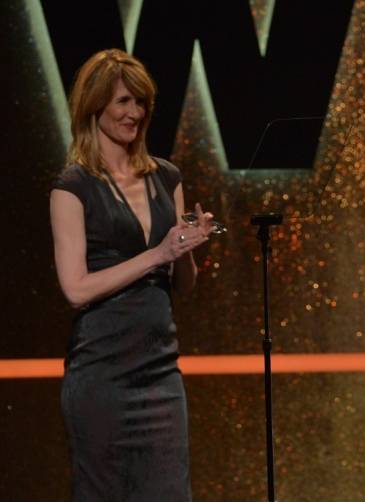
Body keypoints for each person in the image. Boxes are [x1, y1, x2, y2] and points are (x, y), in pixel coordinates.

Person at [50, 49, 214, 501]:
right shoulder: (72, 187)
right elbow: (75, 288)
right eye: (123, 102)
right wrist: (156, 253)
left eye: (140, 103)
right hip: (101, 378)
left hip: (161, 378)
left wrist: (183, 251)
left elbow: (184, 285)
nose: (134, 113)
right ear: (95, 106)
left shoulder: (167, 177)